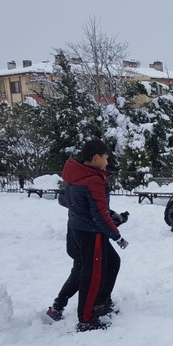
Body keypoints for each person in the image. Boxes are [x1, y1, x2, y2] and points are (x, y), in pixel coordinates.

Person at [54, 139, 128, 332]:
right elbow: (99, 213)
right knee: (92, 275)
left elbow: (68, 200)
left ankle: (95, 303)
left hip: (77, 230)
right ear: (96, 157)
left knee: (111, 263)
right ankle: (86, 320)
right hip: (90, 234)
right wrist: (116, 235)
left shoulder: (77, 173)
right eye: (105, 158)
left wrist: (109, 215)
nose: (107, 162)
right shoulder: (93, 179)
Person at [45, 204, 129, 323]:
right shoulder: (80, 186)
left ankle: (100, 302)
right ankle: (59, 307)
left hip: (87, 229)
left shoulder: (83, 186)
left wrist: (110, 215)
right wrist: (108, 218)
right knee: (83, 271)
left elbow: (88, 201)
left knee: (112, 262)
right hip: (85, 232)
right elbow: (72, 198)